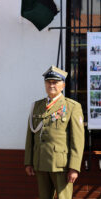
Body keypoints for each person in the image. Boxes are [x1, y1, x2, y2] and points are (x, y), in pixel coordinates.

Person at [24, 66, 85, 199]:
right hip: (40, 161)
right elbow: (30, 135)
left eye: (55, 82)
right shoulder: (37, 106)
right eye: (48, 82)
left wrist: (74, 167)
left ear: (62, 85)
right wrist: (28, 161)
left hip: (61, 165)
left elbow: (78, 140)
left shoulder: (72, 106)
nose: (51, 85)